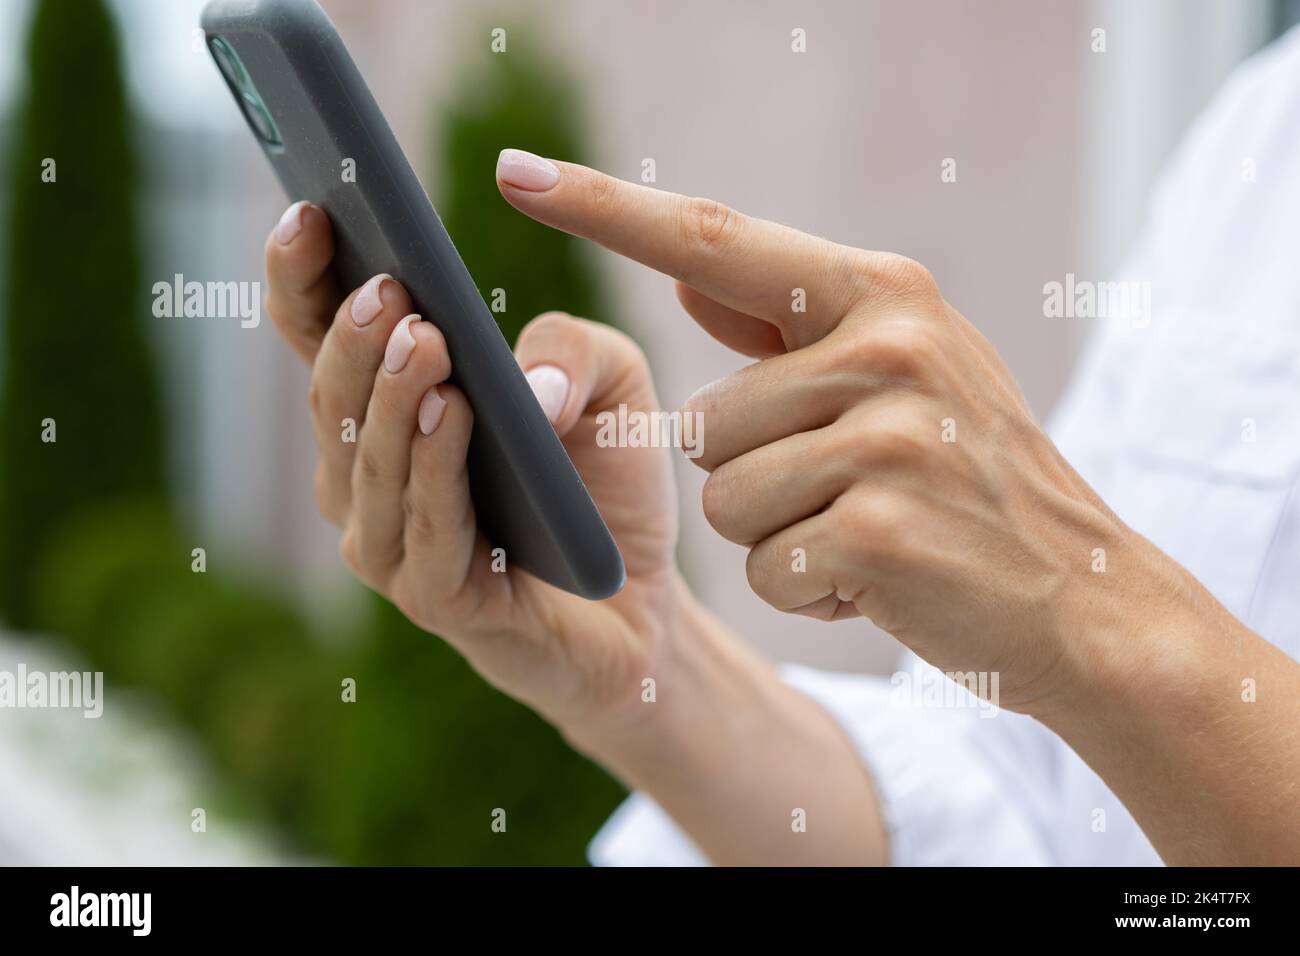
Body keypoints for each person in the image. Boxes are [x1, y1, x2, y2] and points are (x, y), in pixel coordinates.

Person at [260, 26, 1300, 866]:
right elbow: (1017, 802)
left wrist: (1082, 602)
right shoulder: (1258, 137)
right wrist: (651, 668)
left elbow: (1080, 638)